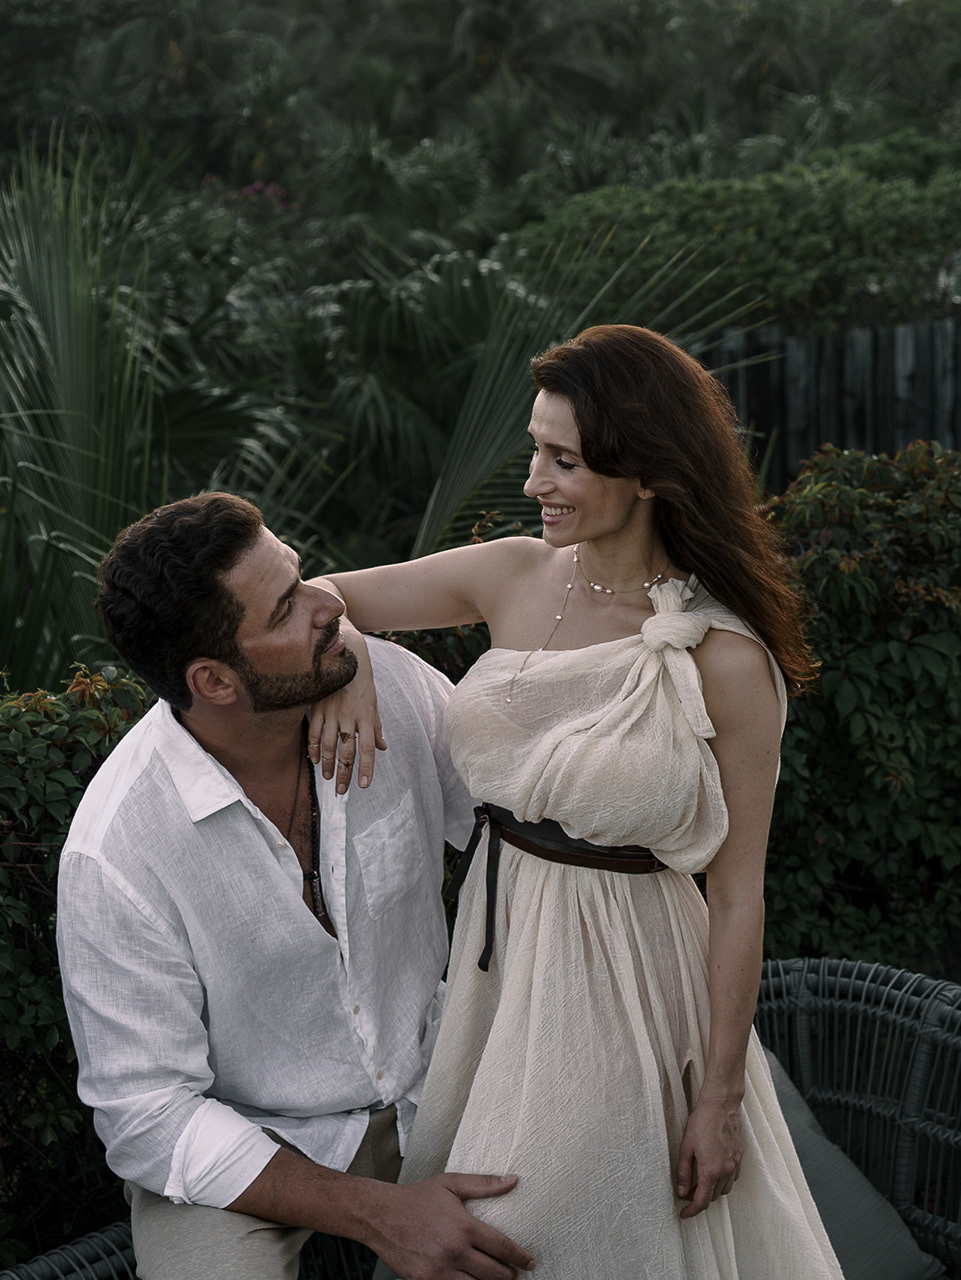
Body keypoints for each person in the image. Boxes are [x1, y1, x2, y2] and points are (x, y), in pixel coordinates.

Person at [308, 326, 843, 1278]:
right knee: (477, 1226)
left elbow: (736, 894)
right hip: (499, 958)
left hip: (628, 977)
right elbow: (315, 597)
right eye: (535, 451)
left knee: (543, 1232)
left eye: (564, 461)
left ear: (646, 472)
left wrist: (718, 1097)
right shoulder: (510, 573)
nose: (533, 481)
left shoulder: (724, 658)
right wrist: (344, 662)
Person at [55, 493, 536, 1280]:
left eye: (302, 575)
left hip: (439, 1083)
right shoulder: (117, 851)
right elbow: (149, 1116)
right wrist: (380, 1212)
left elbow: (530, 834)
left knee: (571, 1232)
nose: (330, 605)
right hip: (249, 1143)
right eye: (288, 607)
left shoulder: (390, 692)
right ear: (214, 680)